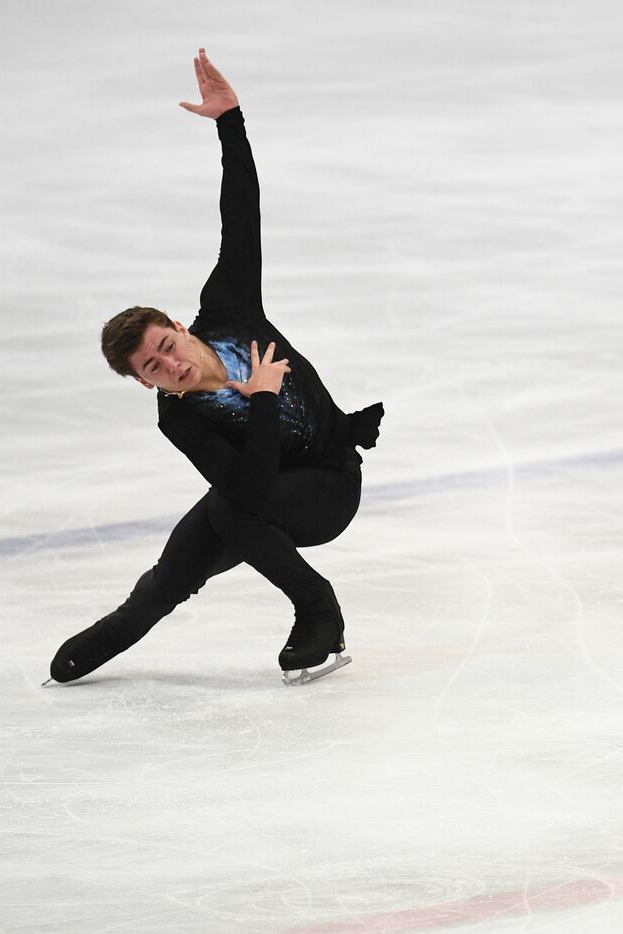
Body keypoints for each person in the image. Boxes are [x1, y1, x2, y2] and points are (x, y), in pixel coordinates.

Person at [46, 49, 383, 687]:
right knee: (174, 573)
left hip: (328, 484)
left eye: (164, 345)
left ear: (177, 326)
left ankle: (319, 610)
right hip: (259, 495)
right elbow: (250, 487)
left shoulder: (228, 309)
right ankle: (110, 638)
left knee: (228, 514)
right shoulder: (179, 420)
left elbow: (241, 216)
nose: (168, 364)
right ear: (144, 382)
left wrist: (230, 122)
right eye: (152, 367)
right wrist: (259, 398)